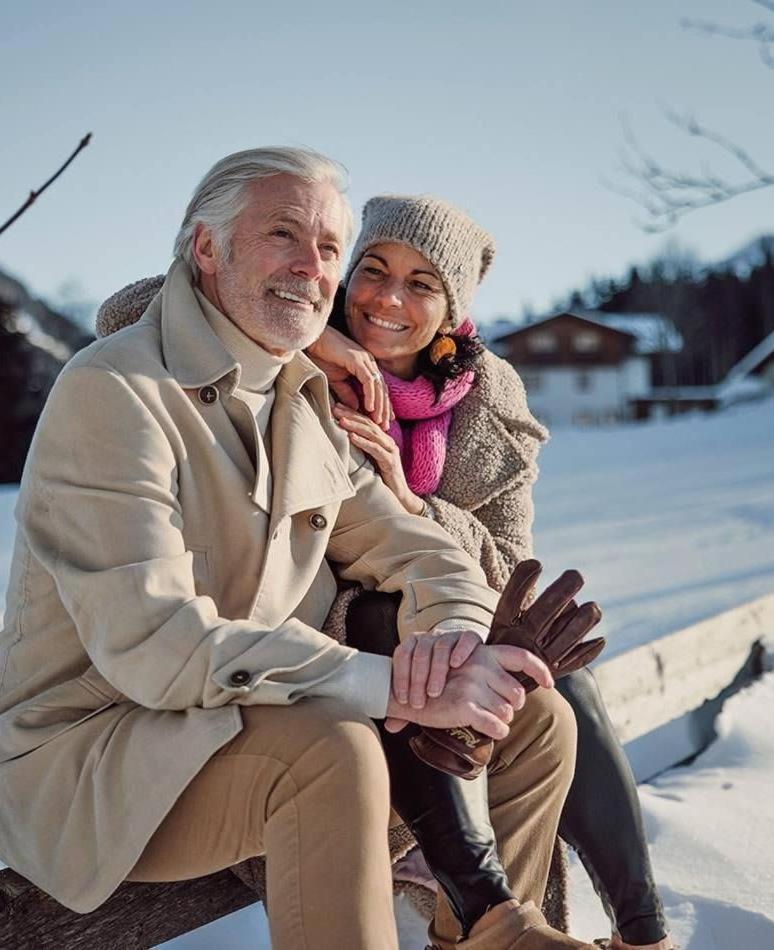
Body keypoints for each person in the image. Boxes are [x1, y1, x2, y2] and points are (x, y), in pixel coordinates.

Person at [0, 148, 596, 950]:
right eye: (285, 234)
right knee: (330, 751)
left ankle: (488, 936)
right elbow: (155, 645)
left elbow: (418, 548)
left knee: (535, 720)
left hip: (243, 718)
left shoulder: (301, 399)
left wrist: (453, 642)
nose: (312, 267)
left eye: (327, 248)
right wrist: (397, 690)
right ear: (206, 249)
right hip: (102, 752)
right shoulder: (116, 393)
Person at [301, 194, 675, 950]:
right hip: (328, 627)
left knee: (559, 680)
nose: (388, 299)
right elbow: (129, 312)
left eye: (422, 283)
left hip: (454, 616)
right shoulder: (291, 330)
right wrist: (317, 338)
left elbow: (509, 562)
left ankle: (644, 933)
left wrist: (413, 504)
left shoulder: (486, 394)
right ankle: (489, 921)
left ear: (452, 307)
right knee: (407, 633)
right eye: (372, 271)